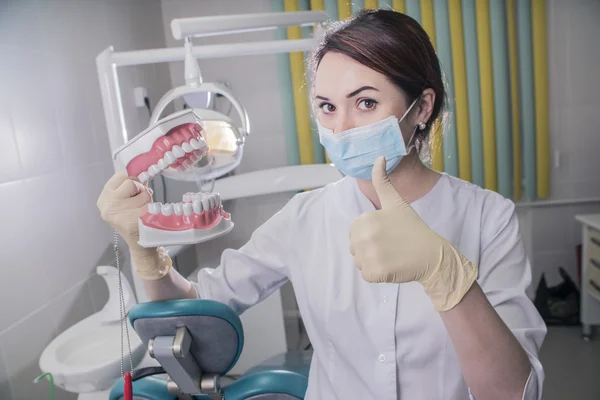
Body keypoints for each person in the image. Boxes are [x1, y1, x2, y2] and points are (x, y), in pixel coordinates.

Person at [97, 9, 546, 400]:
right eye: (327, 107)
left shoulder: (489, 218)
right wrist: (146, 251)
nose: (342, 127)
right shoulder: (304, 218)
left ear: (422, 107)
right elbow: (194, 314)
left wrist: (447, 277)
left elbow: (513, 393)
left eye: (365, 102)